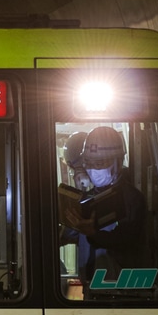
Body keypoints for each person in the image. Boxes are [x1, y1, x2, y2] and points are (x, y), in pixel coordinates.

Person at [61, 126, 149, 294]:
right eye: (89, 163)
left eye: (99, 163)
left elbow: (126, 239)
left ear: (117, 162)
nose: (93, 169)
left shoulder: (131, 199)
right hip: (89, 286)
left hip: (121, 289)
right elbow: (72, 233)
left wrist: (93, 233)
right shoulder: (87, 198)